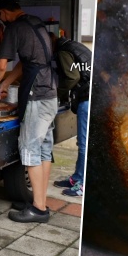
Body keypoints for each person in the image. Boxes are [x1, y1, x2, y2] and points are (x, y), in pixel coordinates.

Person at [0, 0, 58, 224]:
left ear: (3, 12)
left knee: (29, 151)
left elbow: (2, 64)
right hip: (50, 93)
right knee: (44, 150)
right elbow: (25, 63)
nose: (0, 19)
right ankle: (40, 201)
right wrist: (6, 84)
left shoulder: (14, 28)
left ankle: (38, 209)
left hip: (36, 95)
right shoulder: (35, 23)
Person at [49, 33, 91, 198]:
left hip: (87, 98)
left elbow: (73, 77)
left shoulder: (63, 51)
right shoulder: (73, 45)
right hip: (88, 95)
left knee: (84, 144)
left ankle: (81, 185)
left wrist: (56, 92)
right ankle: (76, 178)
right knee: (82, 142)